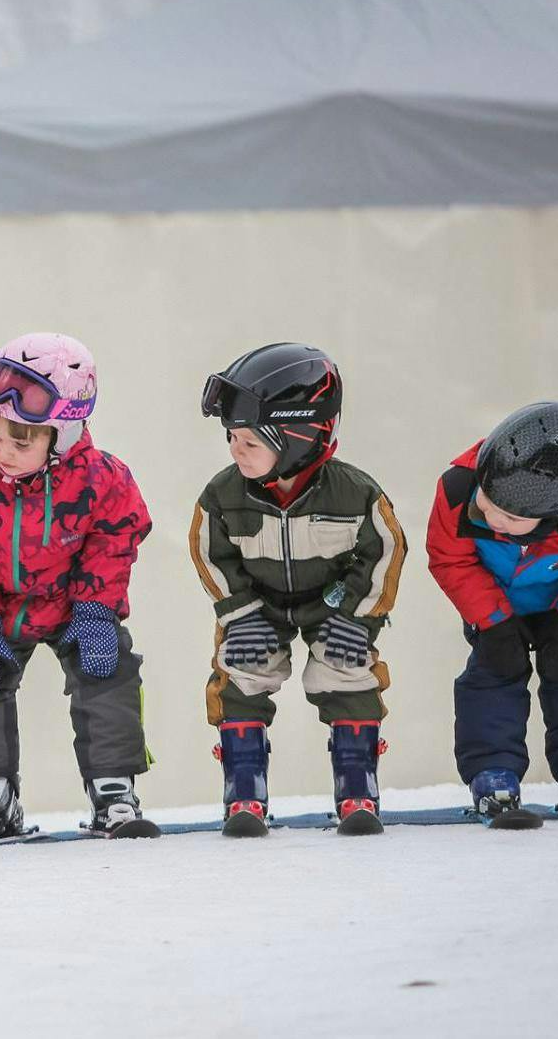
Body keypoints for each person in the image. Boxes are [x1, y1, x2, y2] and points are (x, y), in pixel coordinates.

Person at [0, 332, 157, 841]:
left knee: (109, 669)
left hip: (75, 603)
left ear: (64, 434)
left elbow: (118, 534)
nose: (4, 452)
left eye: (23, 441)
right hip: (3, 607)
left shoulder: (102, 480)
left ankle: (113, 790)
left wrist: (96, 609)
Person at [191, 343, 407, 836]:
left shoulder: (355, 493)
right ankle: (244, 791)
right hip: (258, 607)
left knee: (348, 672)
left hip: (331, 606)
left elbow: (385, 554)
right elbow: (210, 554)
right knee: (241, 671)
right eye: (231, 438)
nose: (234, 451)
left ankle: (357, 785)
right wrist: (239, 614)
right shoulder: (222, 496)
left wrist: (356, 618)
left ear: (300, 437)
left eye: (249, 441)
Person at [425, 401, 558, 825]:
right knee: (490, 679)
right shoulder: (456, 490)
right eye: (486, 500)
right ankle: (493, 775)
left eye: (507, 517)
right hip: (494, 608)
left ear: (550, 519)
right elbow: (448, 558)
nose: (488, 515)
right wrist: (492, 621)